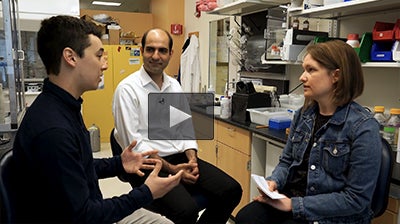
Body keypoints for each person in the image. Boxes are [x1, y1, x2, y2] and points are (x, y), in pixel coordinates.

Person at [12, 15, 183, 224]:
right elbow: (84, 216)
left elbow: (78, 165)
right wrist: (147, 193)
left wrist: (119, 164)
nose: (105, 65)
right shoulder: (53, 130)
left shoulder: (63, 107)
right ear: (71, 57)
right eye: (99, 55)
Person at [235, 40, 382, 224]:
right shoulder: (303, 116)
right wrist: (274, 182)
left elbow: (356, 199)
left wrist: (294, 205)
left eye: (311, 70)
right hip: (292, 198)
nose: (302, 77)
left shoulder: (363, 127)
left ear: (336, 75)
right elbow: (287, 162)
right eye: (304, 69)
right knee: (246, 218)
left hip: (332, 215)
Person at [112, 28, 243, 224]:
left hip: (179, 157)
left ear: (171, 54)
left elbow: (184, 128)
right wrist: (174, 170)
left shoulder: (174, 86)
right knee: (186, 211)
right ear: (142, 50)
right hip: (148, 166)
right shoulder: (127, 89)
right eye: (150, 49)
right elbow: (136, 148)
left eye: (162, 50)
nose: (156, 56)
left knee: (232, 190)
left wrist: (192, 160)